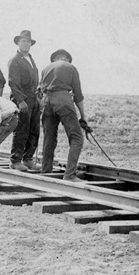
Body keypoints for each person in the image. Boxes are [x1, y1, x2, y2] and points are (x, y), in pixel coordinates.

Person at [39, 49, 89, 182]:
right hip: (63, 99)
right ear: (67, 58)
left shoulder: (45, 69)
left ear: (54, 59)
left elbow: (39, 91)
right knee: (77, 138)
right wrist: (83, 117)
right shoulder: (71, 67)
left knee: (49, 138)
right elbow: (78, 95)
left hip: (46, 101)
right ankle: (70, 175)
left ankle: (46, 172)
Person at [7, 30, 41, 172]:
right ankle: (15, 160)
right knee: (22, 129)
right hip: (22, 97)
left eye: (28, 41)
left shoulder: (31, 59)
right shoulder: (15, 60)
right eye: (23, 41)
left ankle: (28, 159)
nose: (26, 43)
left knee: (34, 129)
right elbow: (13, 83)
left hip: (34, 98)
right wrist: (20, 101)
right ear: (18, 43)